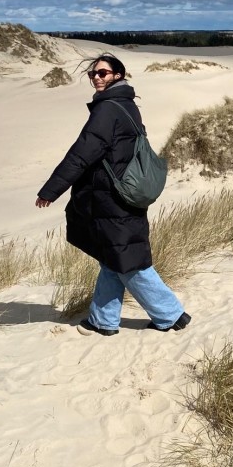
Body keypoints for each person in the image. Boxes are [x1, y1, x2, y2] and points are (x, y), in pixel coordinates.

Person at [36, 52, 191, 337]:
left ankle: (170, 314)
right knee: (113, 259)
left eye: (103, 73)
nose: (96, 77)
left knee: (130, 263)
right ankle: (103, 320)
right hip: (124, 193)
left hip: (112, 198)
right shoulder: (126, 104)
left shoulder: (107, 110)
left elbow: (82, 154)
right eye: (93, 74)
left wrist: (51, 190)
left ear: (117, 75)